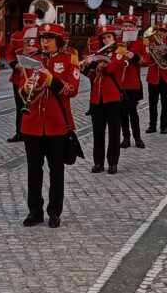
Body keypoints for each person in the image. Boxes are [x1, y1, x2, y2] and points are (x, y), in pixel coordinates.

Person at [20, 21, 80, 228]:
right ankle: (34, 211)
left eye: (50, 39)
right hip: (33, 124)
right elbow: (22, 90)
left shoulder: (69, 59)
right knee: (33, 170)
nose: (45, 42)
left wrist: (50, 79)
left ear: (58, 41)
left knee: (56, 170)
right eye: (43, 39)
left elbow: (72, 89)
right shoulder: (31, 60)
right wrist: (27, 88)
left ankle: (55, 212)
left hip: (57, 124)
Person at [82, 25, 126, 174]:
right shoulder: (97, 54)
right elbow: (94, 75)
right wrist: (84, 68)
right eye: (104, 37)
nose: (106, 39)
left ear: (114, 38)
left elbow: (111, 68)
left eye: (109, 37)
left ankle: (112, 162)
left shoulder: (120, 51)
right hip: (97, 98)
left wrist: (93, 62)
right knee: (98, 132)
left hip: (112, 97)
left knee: (114, 132)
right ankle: (98, 162)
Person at [3, 12, 38, 142]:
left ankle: (33, 131)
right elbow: (8, 54)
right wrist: (15, 64)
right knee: (19, 106)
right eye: (26, 22)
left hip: (35, 76)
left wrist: (37, 49)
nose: (28, 25)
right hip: (19, 76)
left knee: (34, 104)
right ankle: (20, 132)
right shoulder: (16, 36)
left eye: (31, 22)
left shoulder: (41, 37)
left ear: (35, 23)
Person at [115, 16, 147, 148]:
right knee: (122, 111)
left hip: (133, 81)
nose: (127, 28)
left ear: (135, 28)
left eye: (130, 26)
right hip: (119, 82)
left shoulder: (141, 41)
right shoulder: (116, 41)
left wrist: (135, 56)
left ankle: (137, 137)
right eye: (125, 26)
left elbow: (147, 60)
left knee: (133, 111)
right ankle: (126, 137)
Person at [144, 23, 167, 134]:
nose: (162, 33)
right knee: (152, 103)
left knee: (165, 103)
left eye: (164, 31)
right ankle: (152, 125)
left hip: (166, 77)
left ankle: (164, 125)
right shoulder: (150, 43)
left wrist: (166, 53)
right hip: (153, 76)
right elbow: (146, 59)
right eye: (160, 31)